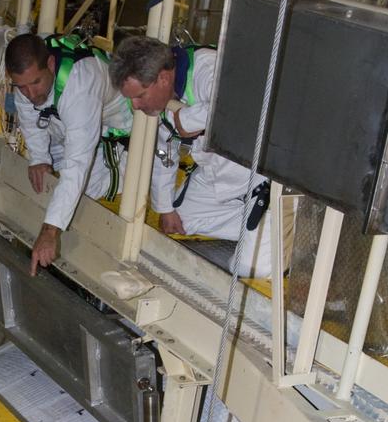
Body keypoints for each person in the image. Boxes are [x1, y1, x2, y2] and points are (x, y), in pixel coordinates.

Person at [110, 35, 273, 277]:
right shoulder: (163, 99)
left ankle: (273, 223)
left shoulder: (208, 68)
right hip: (215, 176)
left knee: (249, 268)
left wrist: (190, 118)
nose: (135, 106)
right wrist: (165, 208)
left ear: (163, 78)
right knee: (180, 221)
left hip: (260, 181)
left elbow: (244, 105)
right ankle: (256, 225)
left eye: (140, 96)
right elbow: (164, 152)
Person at [6, 33, 133, 275]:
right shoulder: (28, 82)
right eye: (21, 87)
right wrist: (39, 158)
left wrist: (50, 231)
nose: (30, 93)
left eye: (35, 83)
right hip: (66, 123)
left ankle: (120, 177)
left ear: (51, 64)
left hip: (115, 132)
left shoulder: (81, 85)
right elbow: (30, 117)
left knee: (87, 191)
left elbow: (77, 164)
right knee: (53, 181)